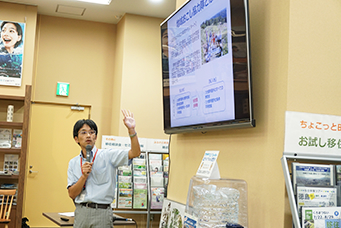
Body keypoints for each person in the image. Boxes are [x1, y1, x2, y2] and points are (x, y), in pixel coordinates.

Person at [67, 109, 141, 228]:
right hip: (82, 211)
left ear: (95, 137)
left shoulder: (108, 156)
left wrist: (131, 130)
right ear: (76, 139)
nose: (88, 136)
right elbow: (72, 194)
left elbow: (135, 152)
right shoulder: (73, 163)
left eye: (92, 132)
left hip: (102, 212)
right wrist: (83, 176)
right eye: (84, 132)